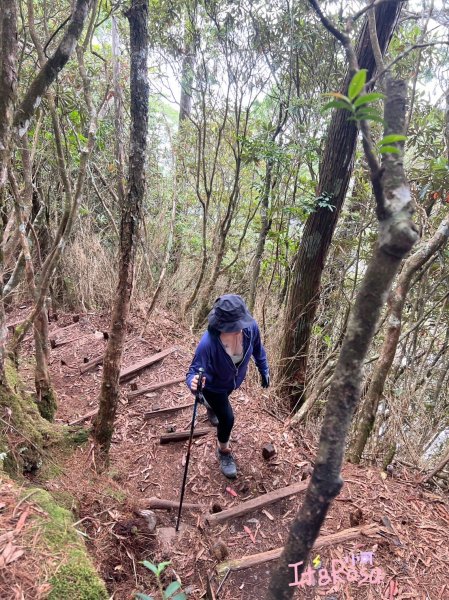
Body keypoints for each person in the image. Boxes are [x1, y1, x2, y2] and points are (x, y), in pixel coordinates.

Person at [186, 294, 270, 479]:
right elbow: (192, 372)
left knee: (219, 406)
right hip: (213, 387)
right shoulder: (208, 343)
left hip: (233, 382)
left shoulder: (251, 329)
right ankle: (223, 451)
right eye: (234, 327)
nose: (240, 330)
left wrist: (264, 368)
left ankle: (211, 407)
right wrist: (193, 383)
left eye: (240, 324)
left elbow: (258, 349)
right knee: (228, 419)